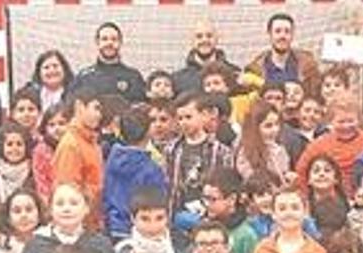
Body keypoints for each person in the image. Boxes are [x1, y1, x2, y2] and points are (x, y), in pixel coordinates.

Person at [166, 91, 233, 230]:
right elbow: (170, 187)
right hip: (180, 215)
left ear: (203, 116)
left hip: (211, 217)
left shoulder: (221, 151)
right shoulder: (171, 150)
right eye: (180, 118)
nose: (184, 122)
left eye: (188, 117)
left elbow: (226, 187)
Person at [103, 107, 169, 240]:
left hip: (113, 225)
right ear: (148, 131)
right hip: (141, 230)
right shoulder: (151, 169)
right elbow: (157, 201)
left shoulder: (111, 160)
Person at [51, 86, 104, 226]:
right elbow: (67, 192)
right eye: (96, 108)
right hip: (79, 225)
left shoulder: (91, 142)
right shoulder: (71, 145)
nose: (99, 115)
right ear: (80, 106)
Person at [294, 94, 363, 197]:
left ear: (359, 120)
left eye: (351, 121)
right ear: (330, 122)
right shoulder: (318, 145)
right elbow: (301, 173)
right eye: (341, 122)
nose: (346, 126)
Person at [70, 22, 146, 103]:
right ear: (97, 42)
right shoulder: (84, 77)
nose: (109, 43)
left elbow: (141, 109)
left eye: (114, 39)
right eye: (104, 39)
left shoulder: (133, 76)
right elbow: (70, 108)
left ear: (120, 43)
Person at [245, 13, 320, 94]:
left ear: (292, 34)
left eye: (287, 31)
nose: (282, 36)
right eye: (278, 31)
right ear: (269, 34)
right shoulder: (255, 70)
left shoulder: (309, 66)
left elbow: (316, 96)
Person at [173, 20, 240, 95]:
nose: (204, 40)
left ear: (217, 39)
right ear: (192, 41)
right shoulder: (177, 79)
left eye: (209, 36)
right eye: (199, 36)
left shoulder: (234, 73)